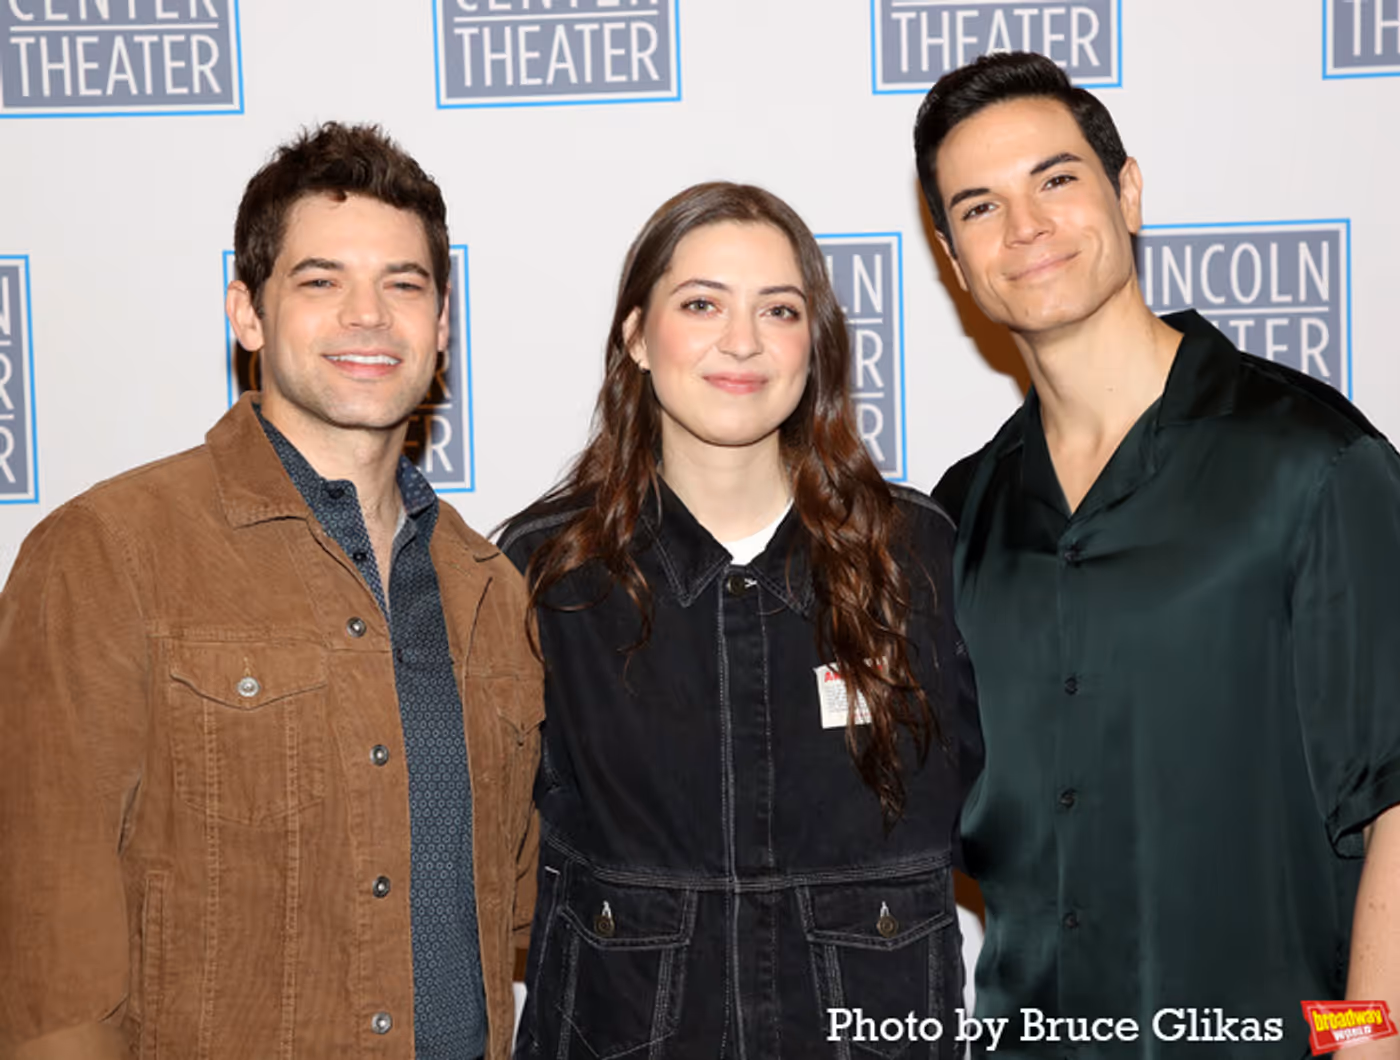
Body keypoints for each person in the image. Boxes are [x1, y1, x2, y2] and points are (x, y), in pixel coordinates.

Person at [0, 123, 541, 1060]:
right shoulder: (109, 553)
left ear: (443, 325)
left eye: (404, 285)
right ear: (246, 313)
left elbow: (518, 912)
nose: (367, 316)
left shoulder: (492, 589)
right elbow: (48, 949)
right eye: (321, 280)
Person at [914, 51, 1400, 1055]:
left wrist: (1364, 1041)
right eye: (978, 207)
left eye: (1054, 180)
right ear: (951, 256)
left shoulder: (1311, 460)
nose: (1025, 228)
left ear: (1124, 191)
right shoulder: (959, 512)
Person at [500, 181, 982, 1059]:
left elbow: (1014, 822)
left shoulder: (920, 556)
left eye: (780, 309)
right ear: (637, 337)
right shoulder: (545, 574)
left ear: (816, 345)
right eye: (701, 304)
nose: (743, 342)